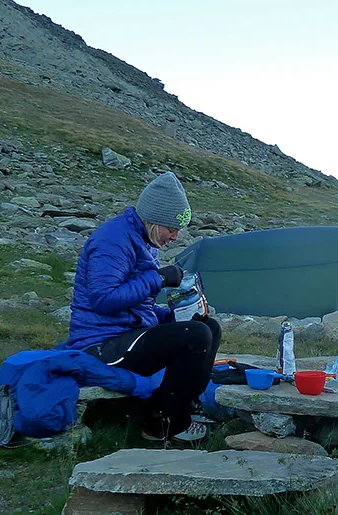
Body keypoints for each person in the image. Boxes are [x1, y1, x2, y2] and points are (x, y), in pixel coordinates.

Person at [59, 171, 221, 443]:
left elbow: (137, 306)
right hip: (100, 344)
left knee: (207, 327)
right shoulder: (112, 240)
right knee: (196, 336)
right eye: (172, 228)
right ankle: (164, 425)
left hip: (125, 334)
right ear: (155, 220)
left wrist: (174, 315)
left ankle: (181, 408)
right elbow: (104, 299)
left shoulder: (145, 241)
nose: (176, 237)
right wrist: (157, 278)